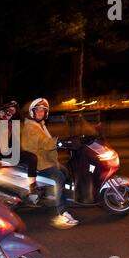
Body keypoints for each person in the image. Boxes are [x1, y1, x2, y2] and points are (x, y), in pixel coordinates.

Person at [21, 98, 79, 229]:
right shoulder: (31, 127)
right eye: (38, 110)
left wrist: (66, 140)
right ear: (32, 112)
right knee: (59, 177)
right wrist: (60, 142)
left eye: (43, 110)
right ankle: (61, 212)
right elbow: (44, 142)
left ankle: (63, 198)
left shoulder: (39, 125)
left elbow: (46, 141)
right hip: (39, 162)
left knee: (65, 171)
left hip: (46, 159)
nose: (41, 112)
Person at [0, 100, 42, 204]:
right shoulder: (1, 122)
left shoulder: (16, 121)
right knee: (32, 158)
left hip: (13, 151)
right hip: (6, 154)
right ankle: (33, 187)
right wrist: (2, 119)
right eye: (9, 109)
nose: (11, 112)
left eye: (13, 109)